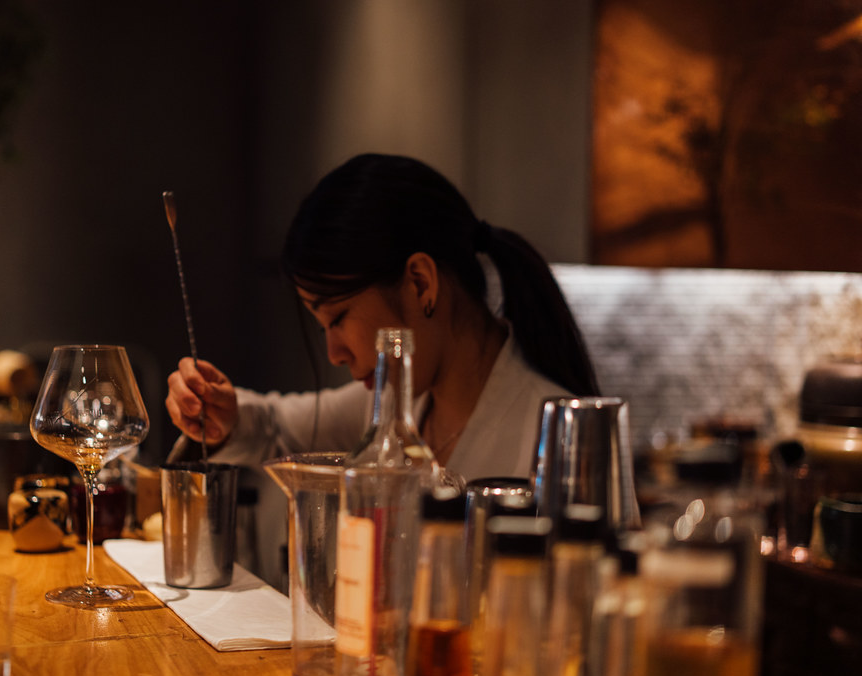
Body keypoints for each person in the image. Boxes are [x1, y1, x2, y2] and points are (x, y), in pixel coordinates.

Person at [165, 152, 599, 585]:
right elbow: (275, 428)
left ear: (420, 284)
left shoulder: (560, 437)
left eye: (338, 318)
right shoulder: (388, 409)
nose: (334, 353)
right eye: (322, 329)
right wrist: (221, 413)